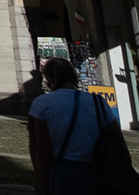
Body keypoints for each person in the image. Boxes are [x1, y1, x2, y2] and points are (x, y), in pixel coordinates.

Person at [27, 56, 115, 194]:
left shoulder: (41, 104)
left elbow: (41, 147)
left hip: (65, 169)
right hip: (99, 168)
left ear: (49, 79)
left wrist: (42, 183)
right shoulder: (98, 101)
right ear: (73, 76)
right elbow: (117, 138)